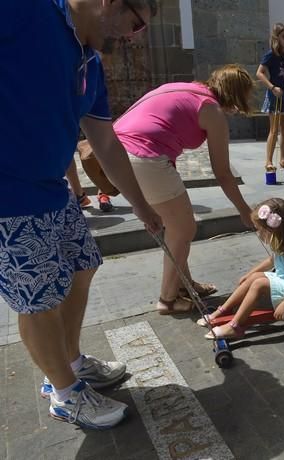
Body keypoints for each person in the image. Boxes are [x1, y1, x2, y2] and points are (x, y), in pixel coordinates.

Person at [0, 0, 162, 430]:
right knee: (37, 300)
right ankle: (64, 392)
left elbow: (105, 143)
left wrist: (143, 207)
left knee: (82, 268)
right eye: (136, 23)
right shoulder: (26, 11)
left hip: (53, 189)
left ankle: (70, 362)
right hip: (9, 194)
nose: (134, 36)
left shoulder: (88, 59)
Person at [114, 64, 255, 314]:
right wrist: (244, 210)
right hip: (144, 157)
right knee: (184, 227)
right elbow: (222, 172)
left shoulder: (187, 88)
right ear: (237, 94)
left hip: (114, 153)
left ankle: (185, 285)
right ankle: (167, 300)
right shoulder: (212, 110)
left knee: (174, 227)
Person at [198, 198, 284, 339]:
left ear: (274, 229)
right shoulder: (282, 243)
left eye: (260, 230)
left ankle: (234, 326)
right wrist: (249, 274)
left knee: (259, 284)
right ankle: (222, 311)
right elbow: (271, 261)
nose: (259, 234)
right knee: (255, 277)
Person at [256, 23, 284, 172]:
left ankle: (283, 159)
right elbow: (259, 73)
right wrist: (272, 87)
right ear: (277, 38)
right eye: (283, 37)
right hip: (275, 96)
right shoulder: (270, 55)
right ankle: (268, 161)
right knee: (274, 130)